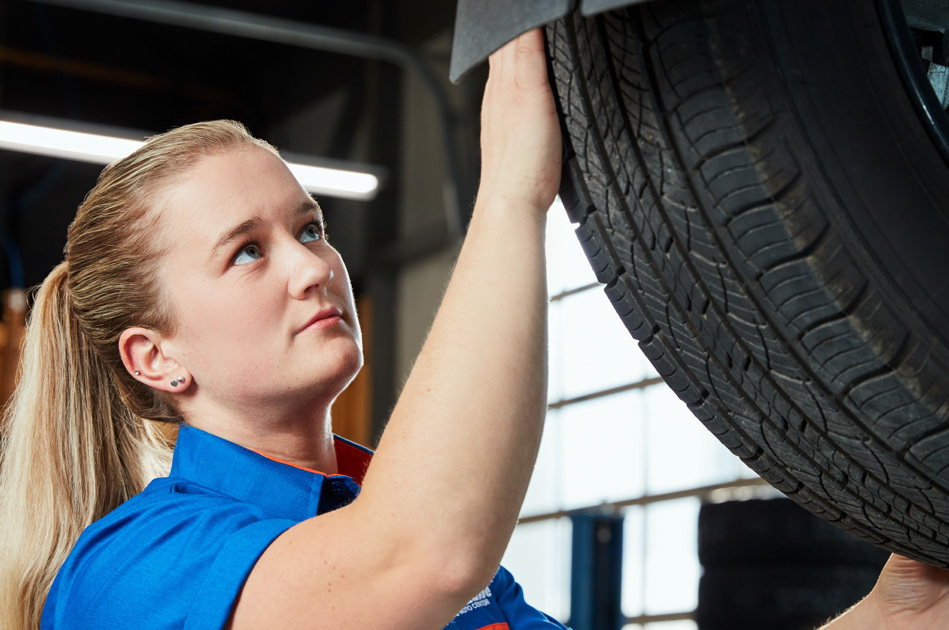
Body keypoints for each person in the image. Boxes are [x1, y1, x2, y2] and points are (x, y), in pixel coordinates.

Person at [0, 26, 946, 630]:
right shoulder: (131, 571)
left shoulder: (397, 527)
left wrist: (888, 618)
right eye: (246, 252)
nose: (313, 266)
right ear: (155, 357)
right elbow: (420, 556)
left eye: (310, 228)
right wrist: (510, 193)